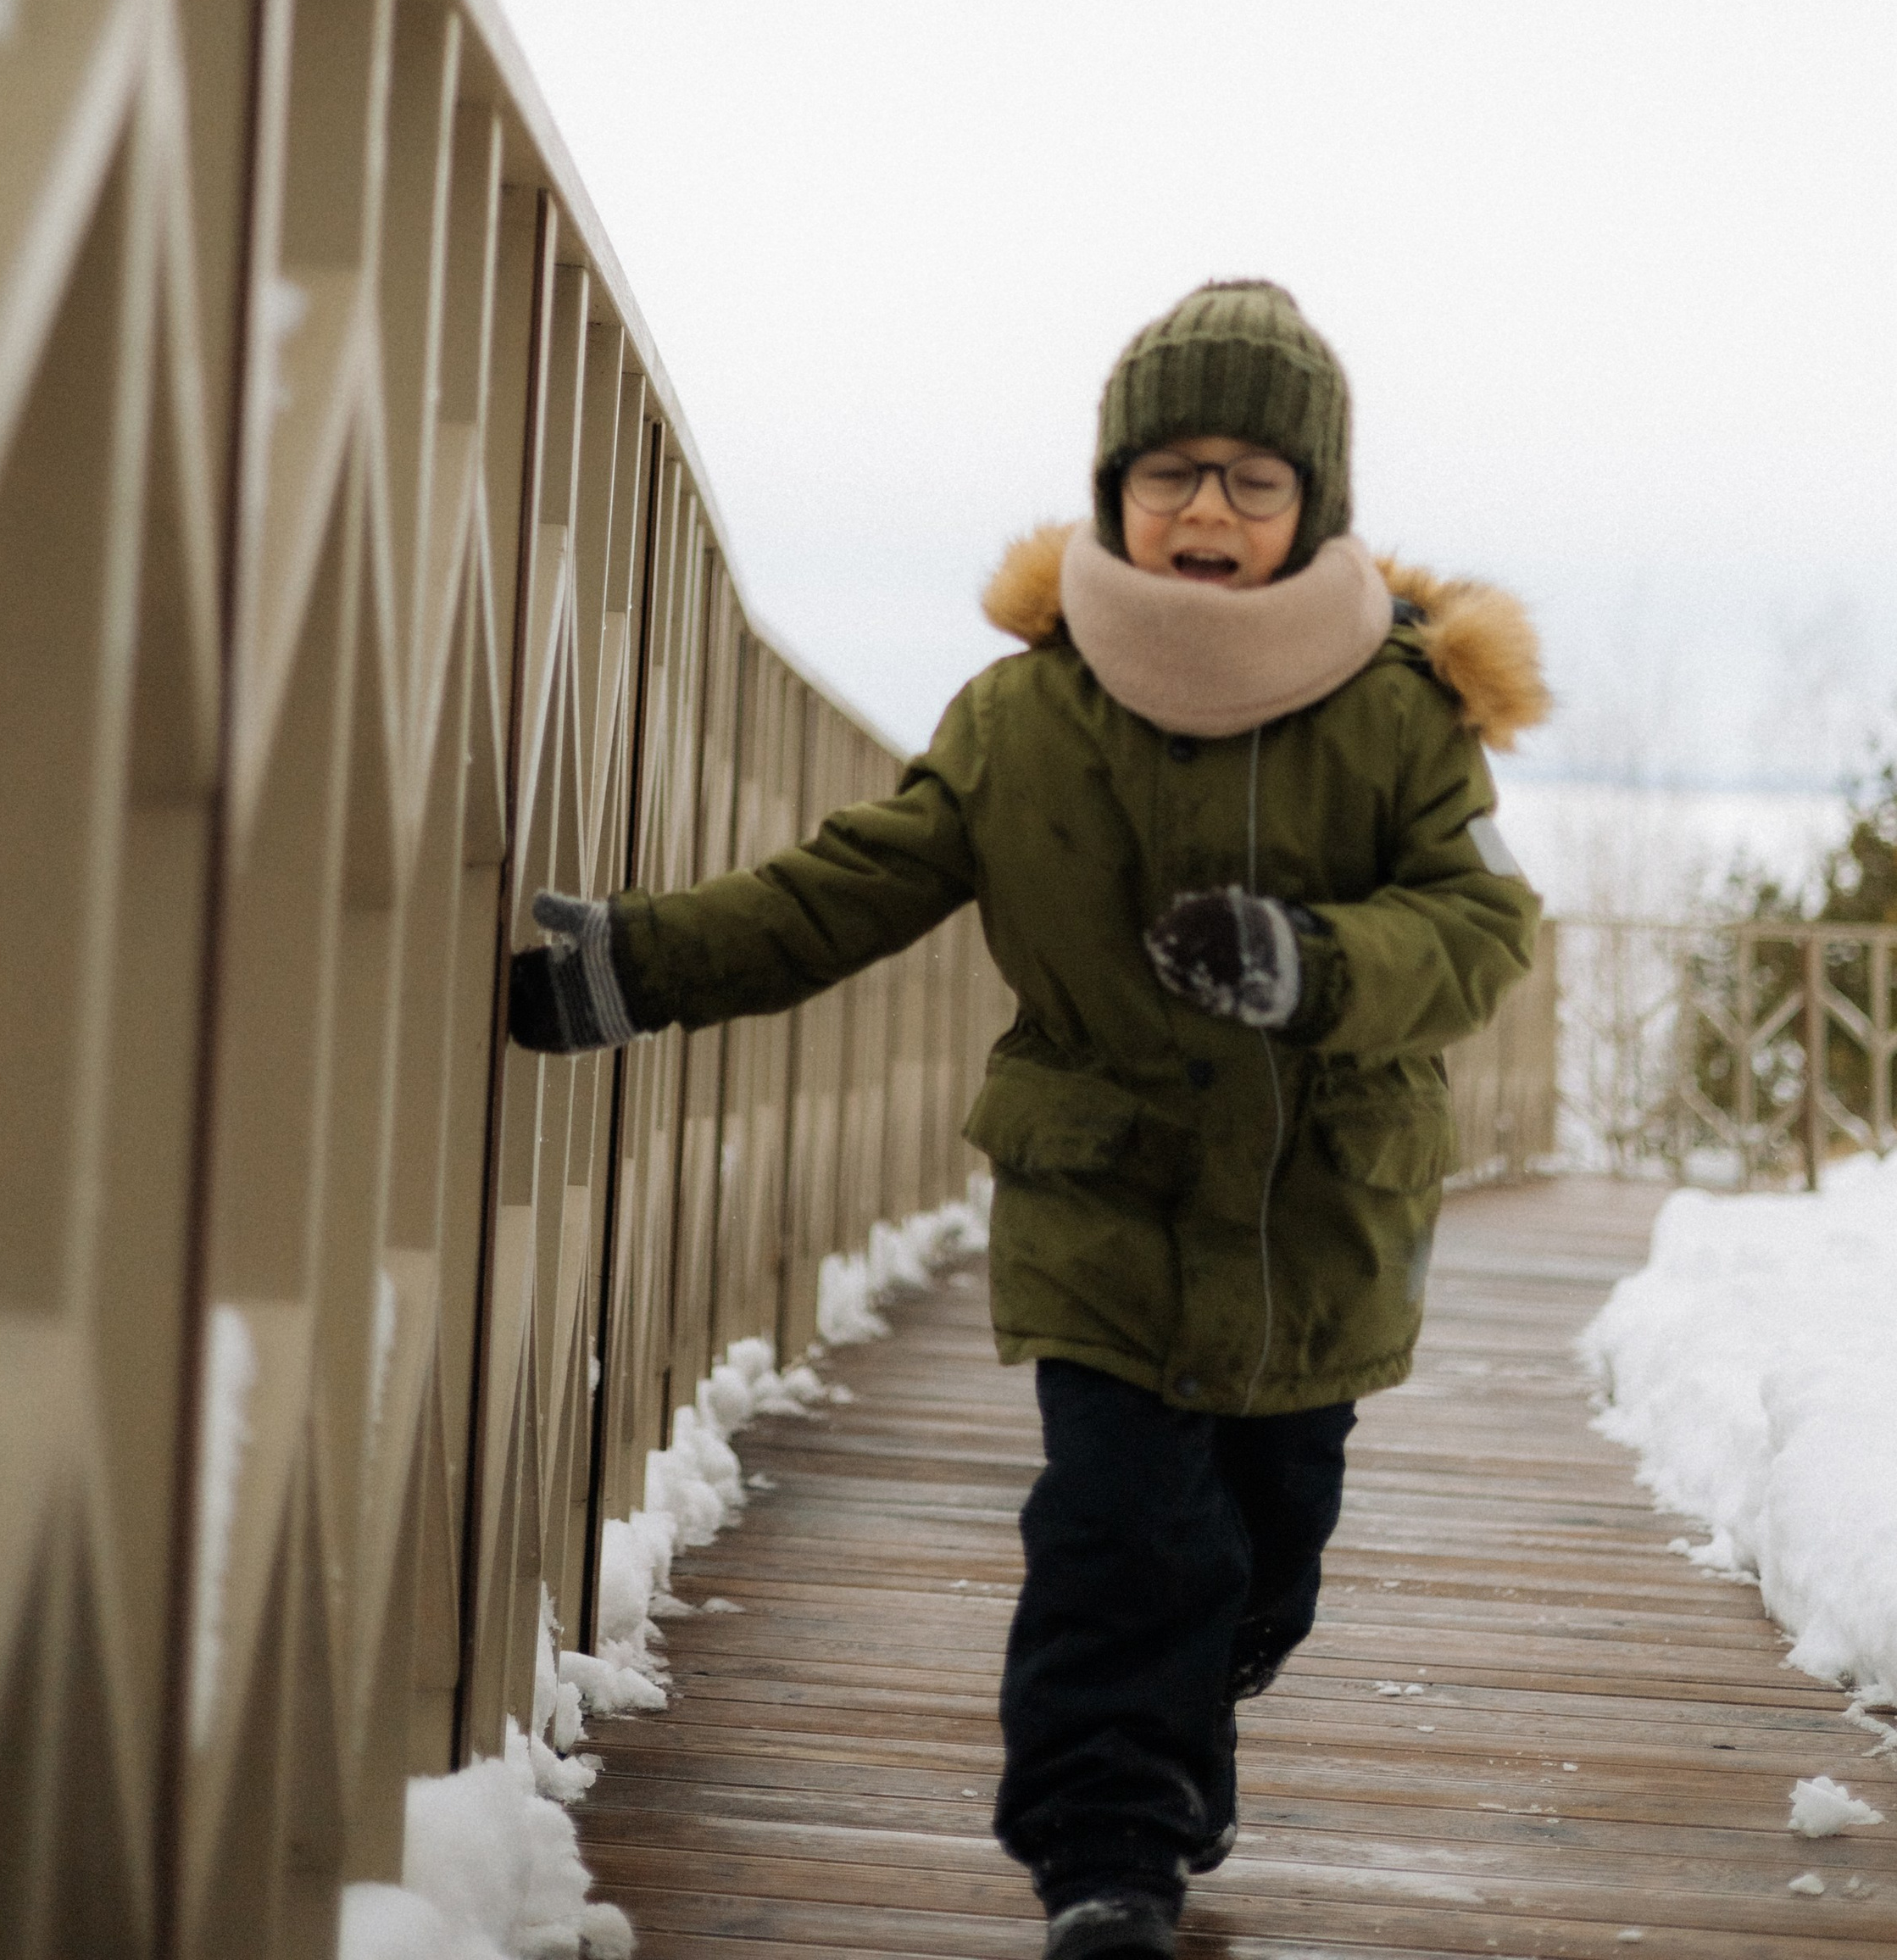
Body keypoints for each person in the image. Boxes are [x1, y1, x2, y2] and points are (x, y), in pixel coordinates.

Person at [508, 278, 1547, 1960]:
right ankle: (1105, 1856)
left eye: (1251, 479)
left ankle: (1185, 1700)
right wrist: (643, 966)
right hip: (1100, 1202)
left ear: (1311, 511)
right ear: (1110, 489)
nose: (1204, 507)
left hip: (1314, 1225)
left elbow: (1486, 925)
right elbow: (852, 886)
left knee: (1258, 1554)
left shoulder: (1400, 715)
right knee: (1117, 1530)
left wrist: (1315, 961)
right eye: (1169, 471)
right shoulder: (1021, 719)